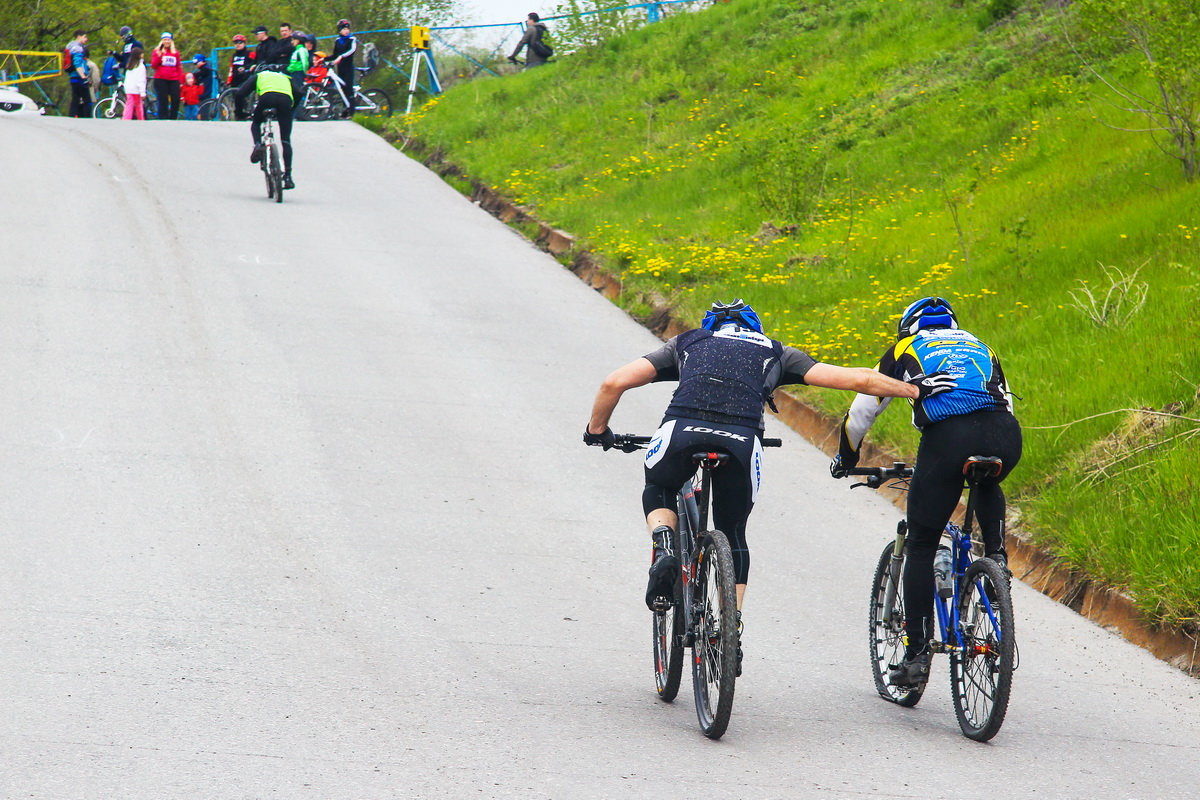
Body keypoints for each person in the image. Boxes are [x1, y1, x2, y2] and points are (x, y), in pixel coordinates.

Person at [585, 300, 954, 672]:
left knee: (660, 486)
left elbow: (613, 382)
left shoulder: (687, 342)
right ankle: (729, 630)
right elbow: (858, 379)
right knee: (733, 532)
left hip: (681, 431)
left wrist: (596, 431)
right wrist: (916, 391)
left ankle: (664, 544)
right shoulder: (777, 352)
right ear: (755, 329)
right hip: (740, 442)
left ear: (711, 326)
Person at [830, 296, 1021, 688]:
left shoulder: (903, 348)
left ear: (907, 327)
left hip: (948, 437)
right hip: (1005, 435)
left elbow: (862, 412)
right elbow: (1005, 400)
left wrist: (847, 458)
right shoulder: (980, 346)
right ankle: (997, 559)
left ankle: (916, 654)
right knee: (987, 477)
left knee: (920, 543)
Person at [236, 64, 296, 189]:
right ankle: (288, 177)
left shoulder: (259, 76)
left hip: (267, 97)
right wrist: (291, 109)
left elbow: (240, 93)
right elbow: (300, 92)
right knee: (285, 140)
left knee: (256, 123)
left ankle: (258, 145)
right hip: (285, 101)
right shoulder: (285, 77)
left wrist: (240, 113)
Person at [326, 20, 357, 117]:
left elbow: (351, 50)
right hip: (340, 68)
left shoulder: (352, 39)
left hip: (348, 67)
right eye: (344, 29)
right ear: (340, 30)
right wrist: (323, 59)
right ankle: (345, 111)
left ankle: (352, 112)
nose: (346, 31)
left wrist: (341, 57)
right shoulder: (338, 41)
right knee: (342, 90)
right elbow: (335, 55)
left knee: (348, 88)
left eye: (347, 29)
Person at [151, 32, 183, 119]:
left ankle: (173, 117)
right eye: (165, 40)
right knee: (163, 100)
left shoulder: (175, 53)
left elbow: (178, 67)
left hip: (173, 78)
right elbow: (154, 65)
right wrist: (159, 55)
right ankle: (163, 118)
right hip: (161, 79)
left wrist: (181, 81)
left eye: (168, 40)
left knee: (176, 99)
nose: (167, 42)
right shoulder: (157, 51)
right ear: (162, 41)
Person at [226, 33, 255, 120]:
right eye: (235, 43)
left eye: (240, 42)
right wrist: (229, 81)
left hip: (246, 79)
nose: (237, 44)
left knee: (242, 95)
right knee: (235, 97)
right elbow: (231, 69)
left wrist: (246, 68)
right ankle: (239, 114)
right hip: (235, 80)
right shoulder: (234, 56)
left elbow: (253, 64)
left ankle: (247, 112)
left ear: (244, 43)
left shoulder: (250, 53)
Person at [65, 30, 92, 118]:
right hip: (79, 77)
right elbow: (78, 64)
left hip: (72, 76)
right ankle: (86, 117)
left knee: (75, 98)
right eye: (84, 37)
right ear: (78, 36)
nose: (86, 39)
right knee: (87, 100)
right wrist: (83, 77)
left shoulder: (70, 45)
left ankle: (73, 115)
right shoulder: (77, 48)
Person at [284, 30, 311, 115]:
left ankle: (297, 113)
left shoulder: (302, 50)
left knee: (297, 92)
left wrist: (304, 72)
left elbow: (305, 62)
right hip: (293, 72)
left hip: (298, 73)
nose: (292, 42)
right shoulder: (296, 50)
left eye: (293, 40)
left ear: (298, 40)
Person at [121, 46, 146, 120]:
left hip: (129, 88)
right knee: (138, 105)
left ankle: (126, 118)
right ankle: (140, 119)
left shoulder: (130, 65)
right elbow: (141, 80)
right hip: (136, 90)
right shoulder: (141, 66)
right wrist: (142, 92)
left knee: (129, 104)